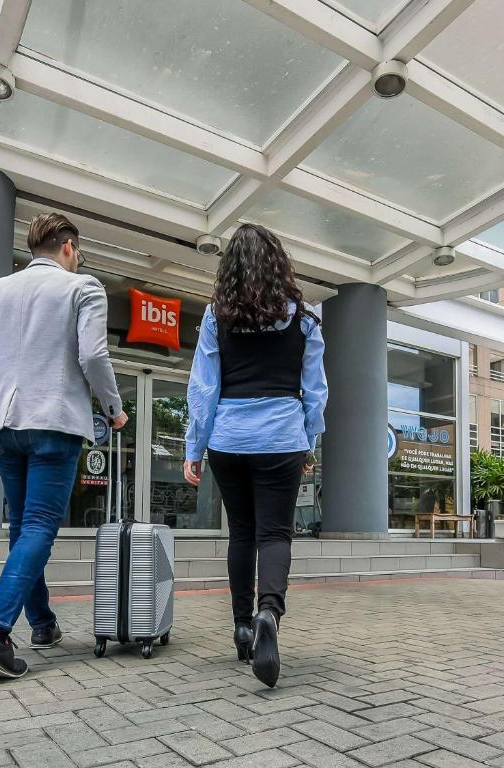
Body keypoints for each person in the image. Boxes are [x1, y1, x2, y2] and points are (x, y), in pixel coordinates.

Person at [0, 213, 127, 679]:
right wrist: (113, 408)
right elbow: (93, 354)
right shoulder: (83, 288)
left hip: (3, 425)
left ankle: (43, 624)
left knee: (22, 525)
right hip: (54, 422)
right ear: (69, 248)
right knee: (40, 525)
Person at [183, 223, 327, 688]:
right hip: (282, 435)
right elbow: (316, 391)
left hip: (229, 438)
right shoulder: (304, 319)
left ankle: (242, 626)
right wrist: (307, 438)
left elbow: (203, 388)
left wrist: (194, 447)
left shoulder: (214, 316)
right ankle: (270, 612)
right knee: (276, 534)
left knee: (241, 533)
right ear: (278, 262)